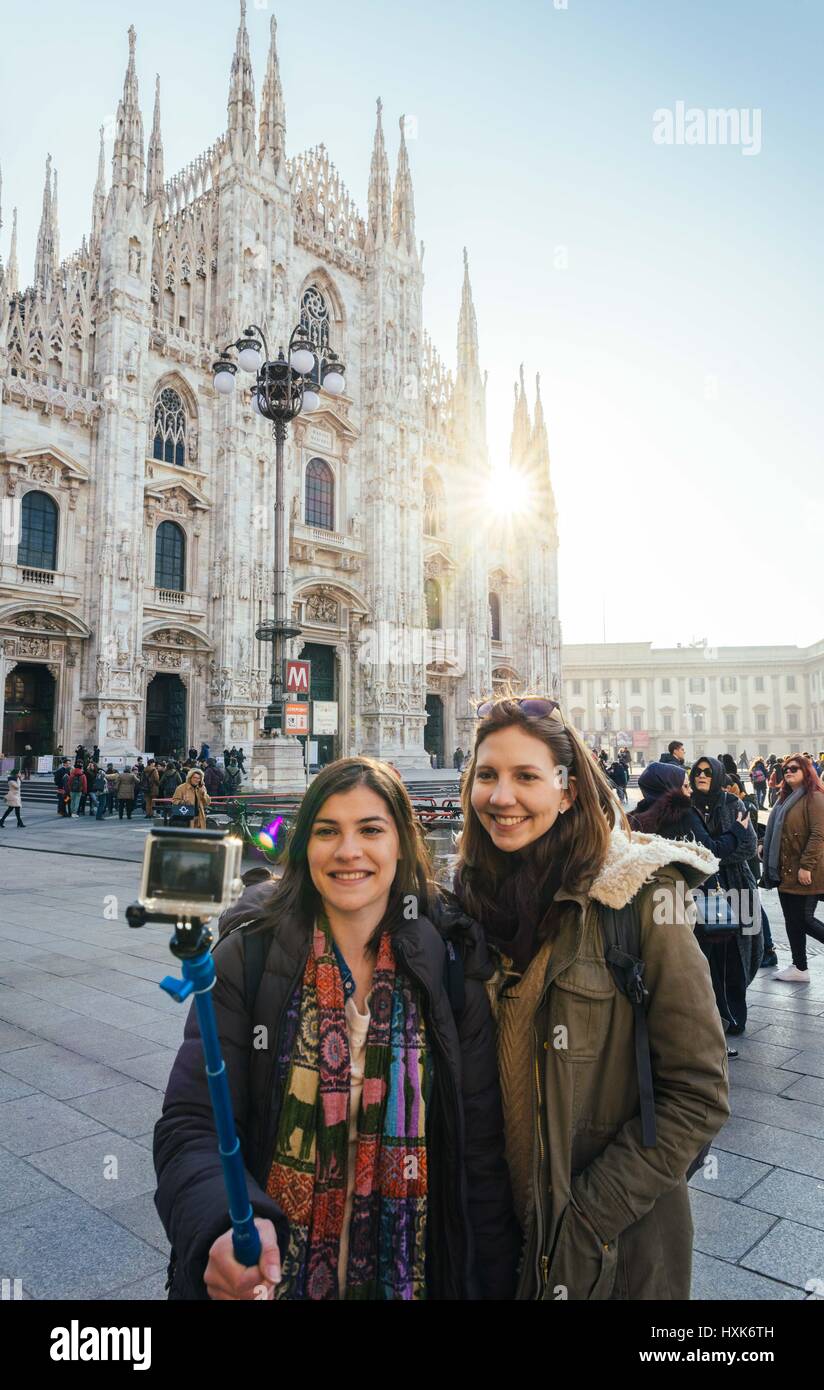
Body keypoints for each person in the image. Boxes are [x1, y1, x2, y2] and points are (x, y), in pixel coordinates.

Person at [154, 756, 519, 1300]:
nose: (349, 851)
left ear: (402, 842)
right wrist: (224, 1227)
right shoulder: (246, 958)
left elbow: (479, 1160)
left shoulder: (449, 965)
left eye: (371, 829)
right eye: (327, 831)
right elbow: (192, 1126)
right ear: (305, 846)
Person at [452, 697, 730, 1301]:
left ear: (569, 789)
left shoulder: (638, 895)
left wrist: (583, 1222)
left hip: (608, 1256)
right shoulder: (466, 903)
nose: (501, 797)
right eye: (487, 775)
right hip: (491, 1242)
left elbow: (698, 1094)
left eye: (526, 776)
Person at [689, 757, 762, 1037]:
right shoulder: (689, 807)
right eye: (698, 771)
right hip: (699, 889)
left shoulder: (734, 804)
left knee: (736, 953)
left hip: (735, 888)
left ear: (717, 776)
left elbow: (747, 846)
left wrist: (712, 854)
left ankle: (735, 1015)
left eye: (708, 772)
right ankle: (711, 1015)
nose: (702, 776)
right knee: (706, 954)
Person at [761, 755, 824, 983]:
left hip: (806, 871)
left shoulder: (814, 797)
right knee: (791, 919)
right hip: (785, 871)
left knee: (804, 919)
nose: (788, 772)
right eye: (785, 769)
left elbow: (819, 835)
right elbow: (778, 834)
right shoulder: (783, 800)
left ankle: (800, 966)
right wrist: (763, 847)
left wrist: (806, 866)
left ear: (806, 771)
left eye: (794, 769)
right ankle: (799, 967)